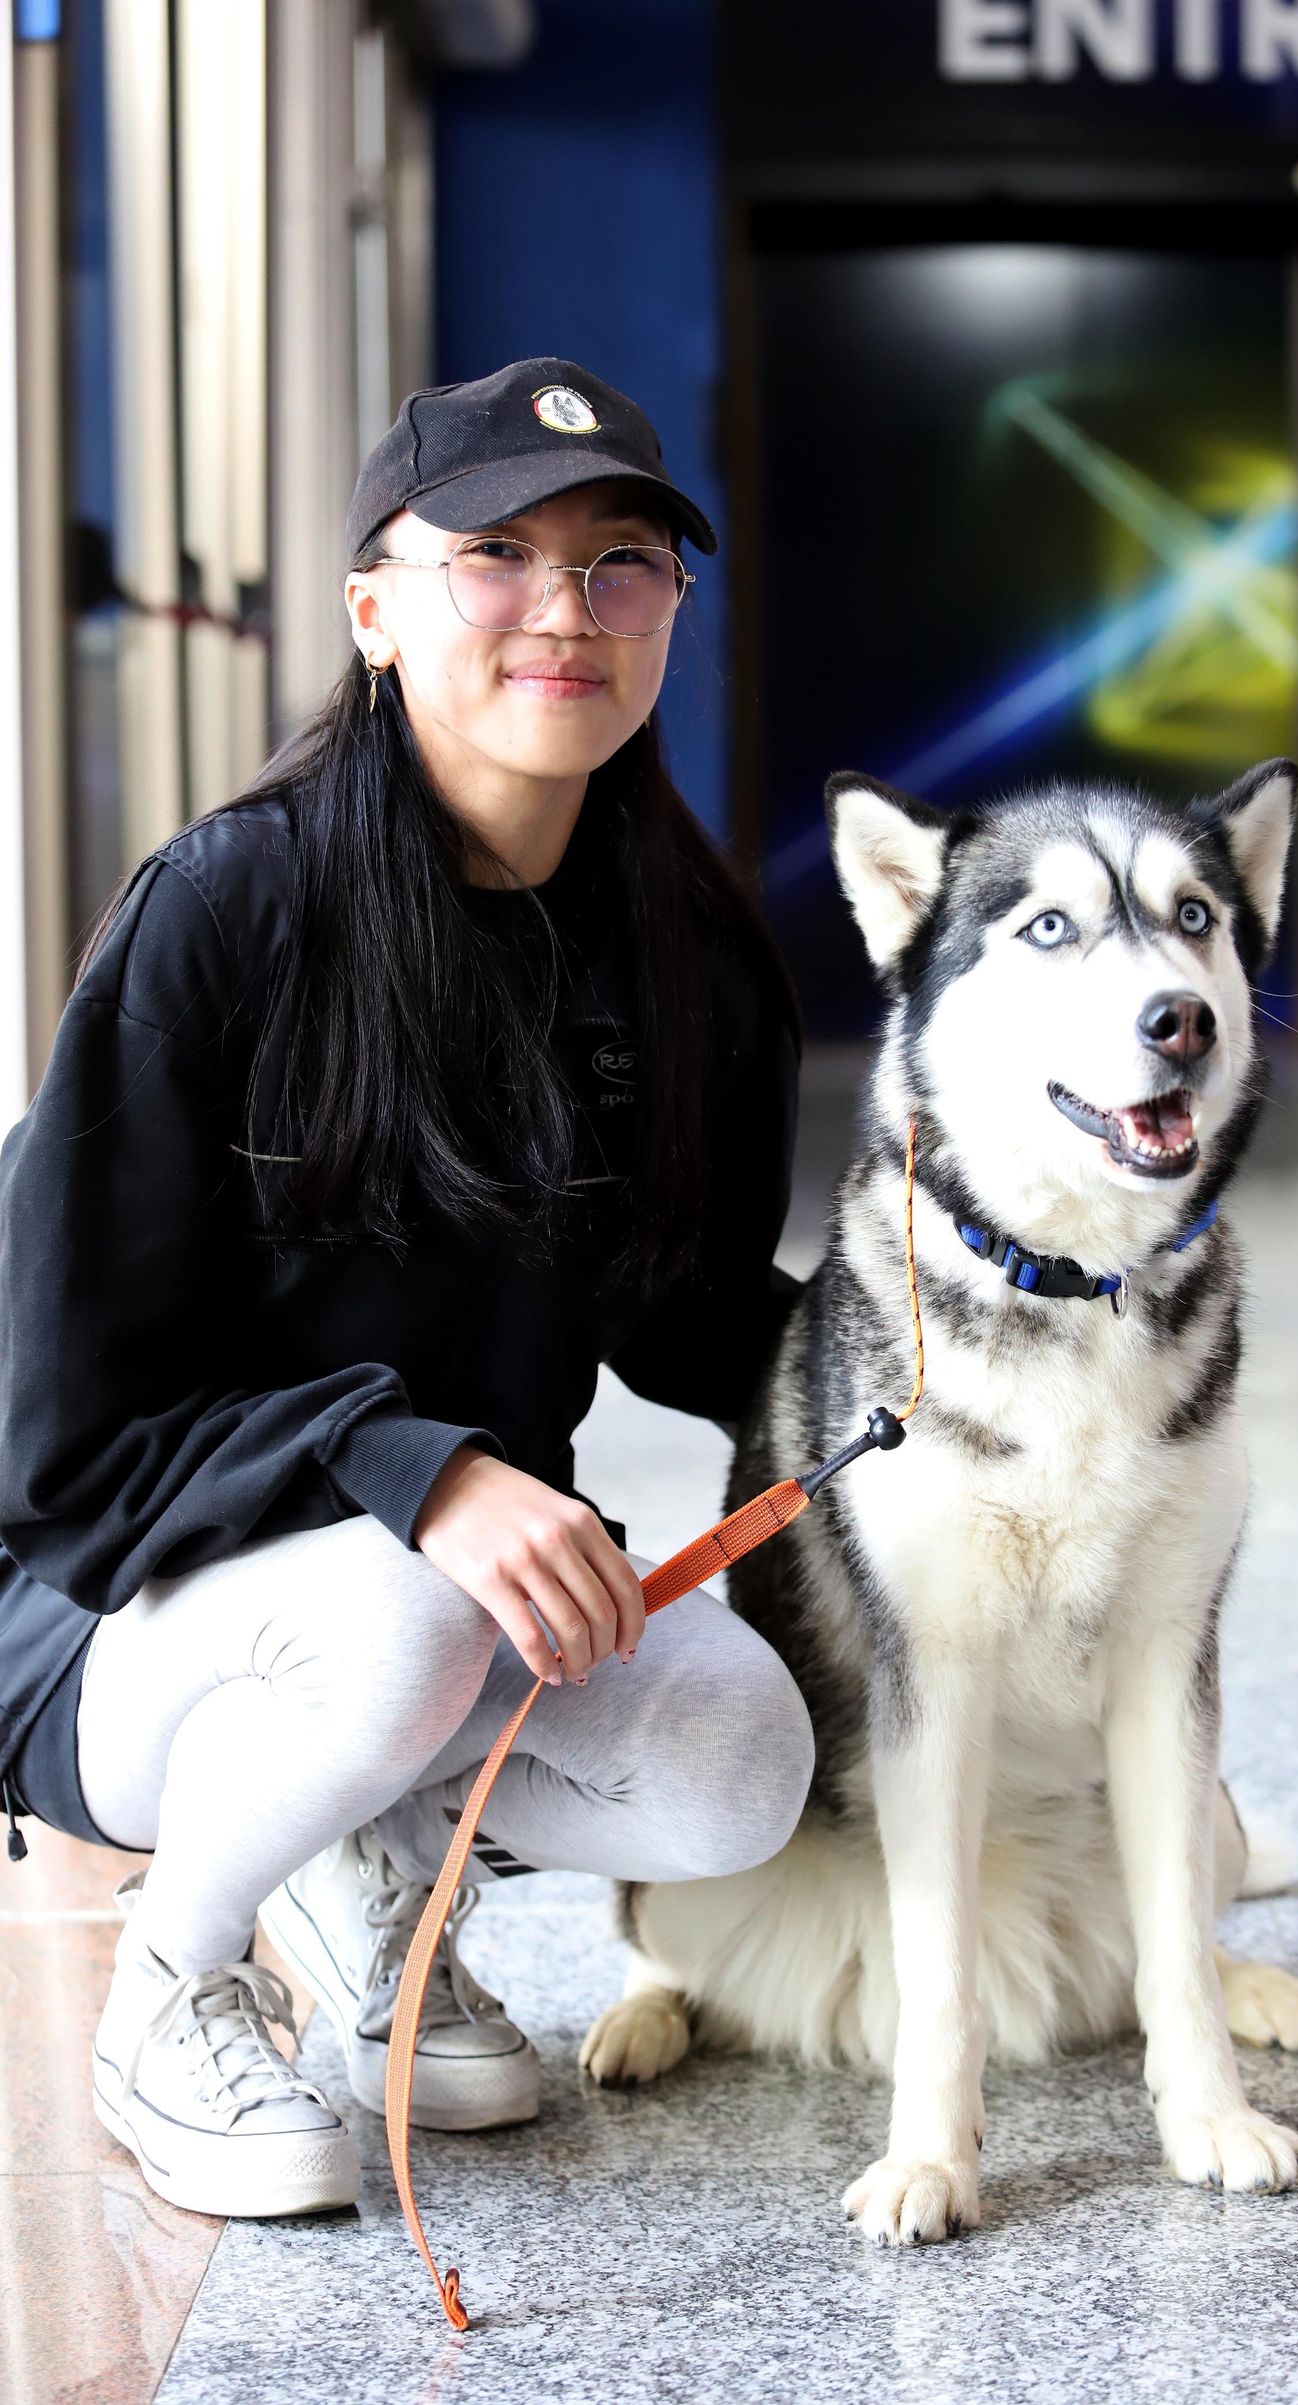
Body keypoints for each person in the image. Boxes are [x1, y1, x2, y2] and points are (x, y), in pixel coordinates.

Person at [0, 358, 816, 2221]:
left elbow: (687, 1316)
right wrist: (419, 1468)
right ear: (374, 609)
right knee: (397, 1612)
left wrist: (959, 1344)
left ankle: (370, 1877)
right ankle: (168, 1990)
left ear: (670, 612)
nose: (566, 610)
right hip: (109, 1608)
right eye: (497, 559)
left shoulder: (688, 957)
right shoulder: (226, 913)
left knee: (732, 1757)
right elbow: (55, 1444)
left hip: (430, 1597)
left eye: (623, 565)